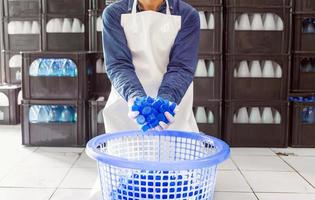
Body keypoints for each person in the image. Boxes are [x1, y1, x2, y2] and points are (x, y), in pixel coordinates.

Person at [102, 0, 200, 133]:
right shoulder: (114, 13)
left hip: (171, 108)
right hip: (128, 106)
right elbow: (119, 64)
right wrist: (135, 98)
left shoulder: (187, 15)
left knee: (171, 151)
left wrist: (165, 102)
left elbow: (181, 67)